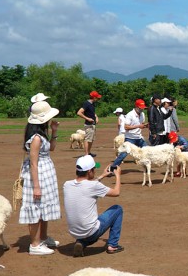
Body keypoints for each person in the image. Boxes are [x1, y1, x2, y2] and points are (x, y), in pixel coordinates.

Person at [20, 100, 61, 255]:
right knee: (36, 208)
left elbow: (52, 148)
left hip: (46, 173)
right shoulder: (36, 138)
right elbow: (33, 163)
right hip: (38, 175)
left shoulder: (41, 135)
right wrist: (36, 186)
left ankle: (43, 237)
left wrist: (54, 131)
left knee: (44, 207)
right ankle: (35, 244)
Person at [63, 154, 124, 257]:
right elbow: (116, 192)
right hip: (90, 231)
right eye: (94, 169)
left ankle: (81, 242)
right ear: (89, 171)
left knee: (90, 224)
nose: (95, 171)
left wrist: (102, 176)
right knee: (117, 209)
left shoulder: (67, 185)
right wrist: (118, 175)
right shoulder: (94, 186)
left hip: (74, 232)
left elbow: (86, 186)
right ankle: (113, 245)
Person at [108, 99, 147, 172]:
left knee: (147, 150)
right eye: (140, 108)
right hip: (130, 138)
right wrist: (138, 126)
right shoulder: (130, 115)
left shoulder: (142, 114)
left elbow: (142, 124)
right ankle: (112, 168)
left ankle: (146, 167)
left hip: (139, 137)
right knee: (123, 154)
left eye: (143, 108)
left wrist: (145, 126)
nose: (142, 109)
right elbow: (126, 127)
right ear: (136, 107)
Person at [77, 90, 101, 157]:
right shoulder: (87, 103)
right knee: (87, 139)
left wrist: (96, 116)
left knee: (91, 139)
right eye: (97, 98)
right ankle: (86, 154)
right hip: (88, 125)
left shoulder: (92, 104)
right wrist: (87, 118)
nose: (98, 99)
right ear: (94, 97)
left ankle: (89, 152)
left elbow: (91, 112)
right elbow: (79, 112)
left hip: (93, 124)